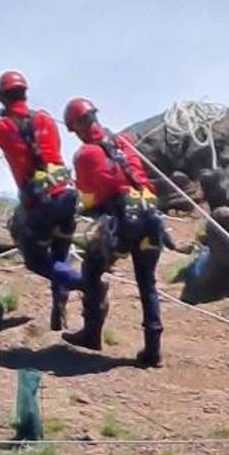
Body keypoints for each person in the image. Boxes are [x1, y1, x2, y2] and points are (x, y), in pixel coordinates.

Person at [0, 70, 82, 330]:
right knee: (60, 255)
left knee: (36, 259)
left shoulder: (3, 127)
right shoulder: (46, 119)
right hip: (67, 193)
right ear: (25, 93)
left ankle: (85, 283)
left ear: (2, 98)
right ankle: (59, 308)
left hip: (41, 202)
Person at [61, 97, 164, 367]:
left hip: (125, 222)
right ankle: (153, 350)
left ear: (76, 128)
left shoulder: (85, 155)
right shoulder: (124, 141)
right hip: (152, 217)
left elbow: (89, 199)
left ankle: (91, 333)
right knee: (147, 283)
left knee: (91, 270)